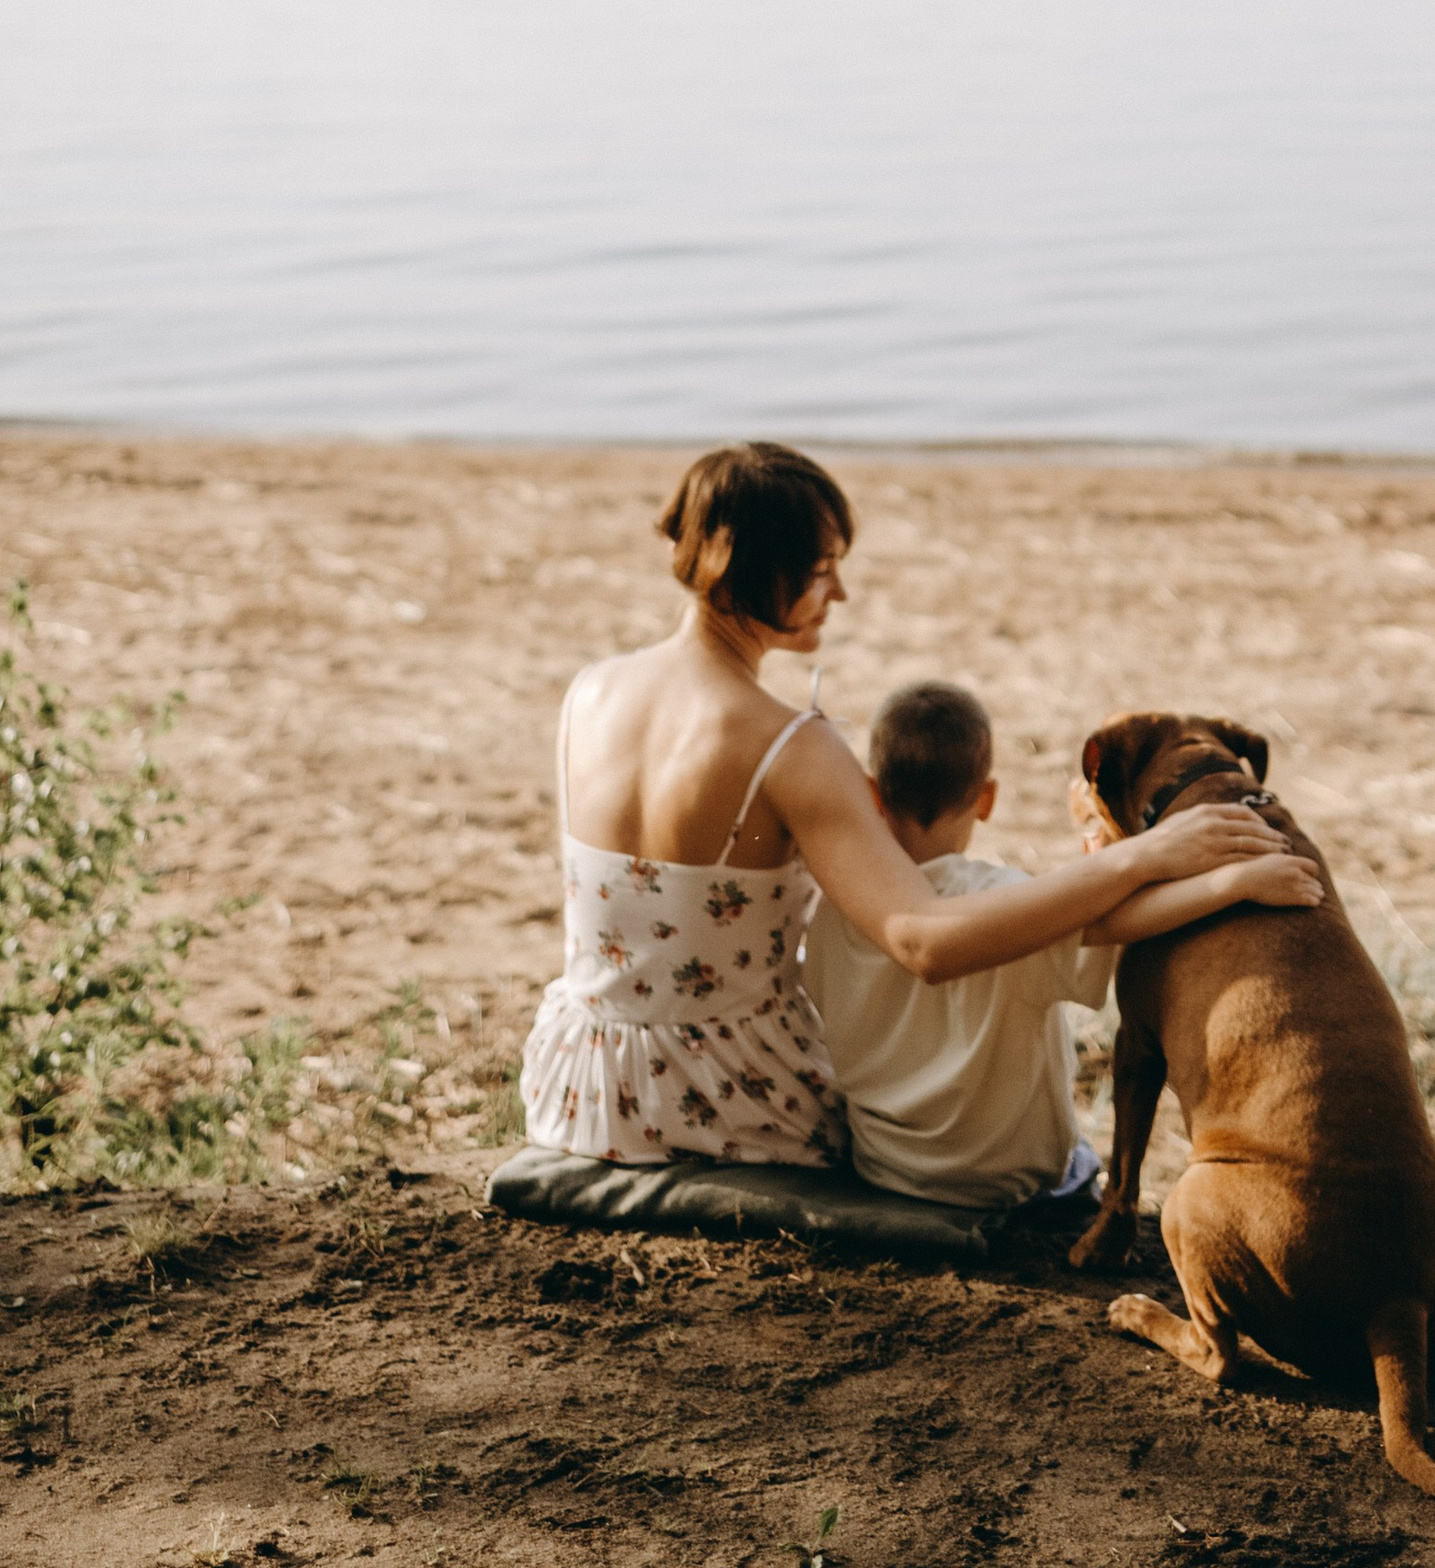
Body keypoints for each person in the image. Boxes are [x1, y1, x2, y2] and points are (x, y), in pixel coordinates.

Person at [519, 443, 1317, 1171]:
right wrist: (1145, 856)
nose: (840, 590)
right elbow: (923, 940)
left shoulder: (588, 690)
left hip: (581, 1087)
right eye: (822, 567)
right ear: (757, 568)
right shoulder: (789, 746)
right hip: (717, 1099)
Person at [802, 679, 1312, 1209]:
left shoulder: (840, 907)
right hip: (1003, 1181)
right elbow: (1117, 922)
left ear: (871, 791)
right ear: (987, 799)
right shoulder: (1010, 905)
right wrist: (1235, 884)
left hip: (882, 1164)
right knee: (1079, 1162)